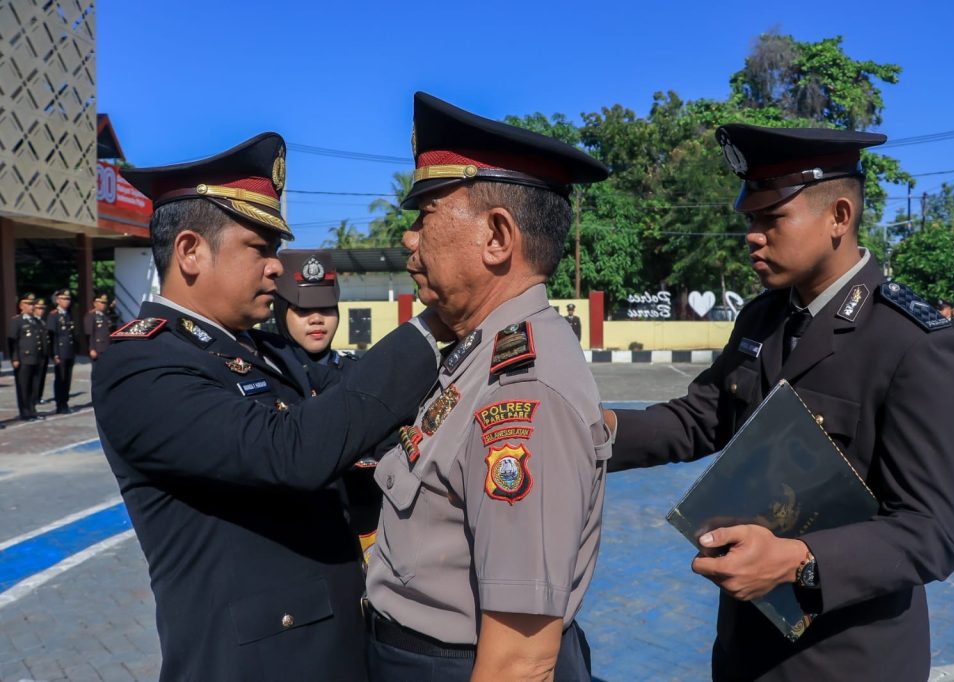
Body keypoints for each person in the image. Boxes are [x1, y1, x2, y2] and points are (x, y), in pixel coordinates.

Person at [605, 123, 954, 681]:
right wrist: (591, 430)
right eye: (749, 219)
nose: (752, 236)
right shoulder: (763, 318)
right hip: (746, 647)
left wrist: (799, 561)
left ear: (839, 217)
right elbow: (701, 418)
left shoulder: (912, 343)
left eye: (771, 218)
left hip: (845, 659)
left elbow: (932, 532)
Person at [93, 132, 443, 682]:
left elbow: (354, 411)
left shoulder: (266, 350)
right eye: (260, 248)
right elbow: (290, 452)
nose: (277, 267)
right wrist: (433, 328)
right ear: (190, 251)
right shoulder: (140, 365)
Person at [365, 92, 611, 680]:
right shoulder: (477, 354)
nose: (409, 239)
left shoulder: (523, 394)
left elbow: (520, 660)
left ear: (498, 237)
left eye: (426, 215)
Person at [272, 248, 380, 562]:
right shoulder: (268, 379)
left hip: (363, 543)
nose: (317, 318)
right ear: (281, 311)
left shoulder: (360, 375)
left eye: (326, 308)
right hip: (294, 546)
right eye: (302, 309)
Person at [6, 292, 46, 421]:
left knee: (34, 386)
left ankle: (32, 410)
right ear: (21, 306)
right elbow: (12, 341)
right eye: (28, 304)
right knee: (23, 386)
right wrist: (15, 358)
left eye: (32, 304)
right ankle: (25, 412)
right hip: (23, 359)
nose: (31, 306)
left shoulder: (36, 321)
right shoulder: (17, 321)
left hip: (36, 358)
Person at [47, 288, 78, 414]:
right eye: (64, 299)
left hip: (69, 351)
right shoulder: (53, 315)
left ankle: (65, 402)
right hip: (60, 352)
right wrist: (54, 354)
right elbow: (52, 337)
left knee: (67, 379)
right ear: (58, 300)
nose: (67, 301)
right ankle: (60, 404)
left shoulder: (68, 314)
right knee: (61, 378)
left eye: (68, 299)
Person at [31, 297, 50, 406]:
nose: (41, 310)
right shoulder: (33, 321)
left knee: (42, 376)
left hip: (44, 353)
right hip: (35, 354)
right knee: (35, 377)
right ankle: (34, 397)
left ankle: (39, 396)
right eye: (38, 308)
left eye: (42, 308)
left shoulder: (42, 321)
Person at [83, 293, 112, 361]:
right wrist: (91, 349)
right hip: (97, 349)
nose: (103, 305)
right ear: (95, 303)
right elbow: (89, 334)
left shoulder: (106, 316)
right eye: (101, 302)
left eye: (105, 303)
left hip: (107, 347)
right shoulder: (91, 315)